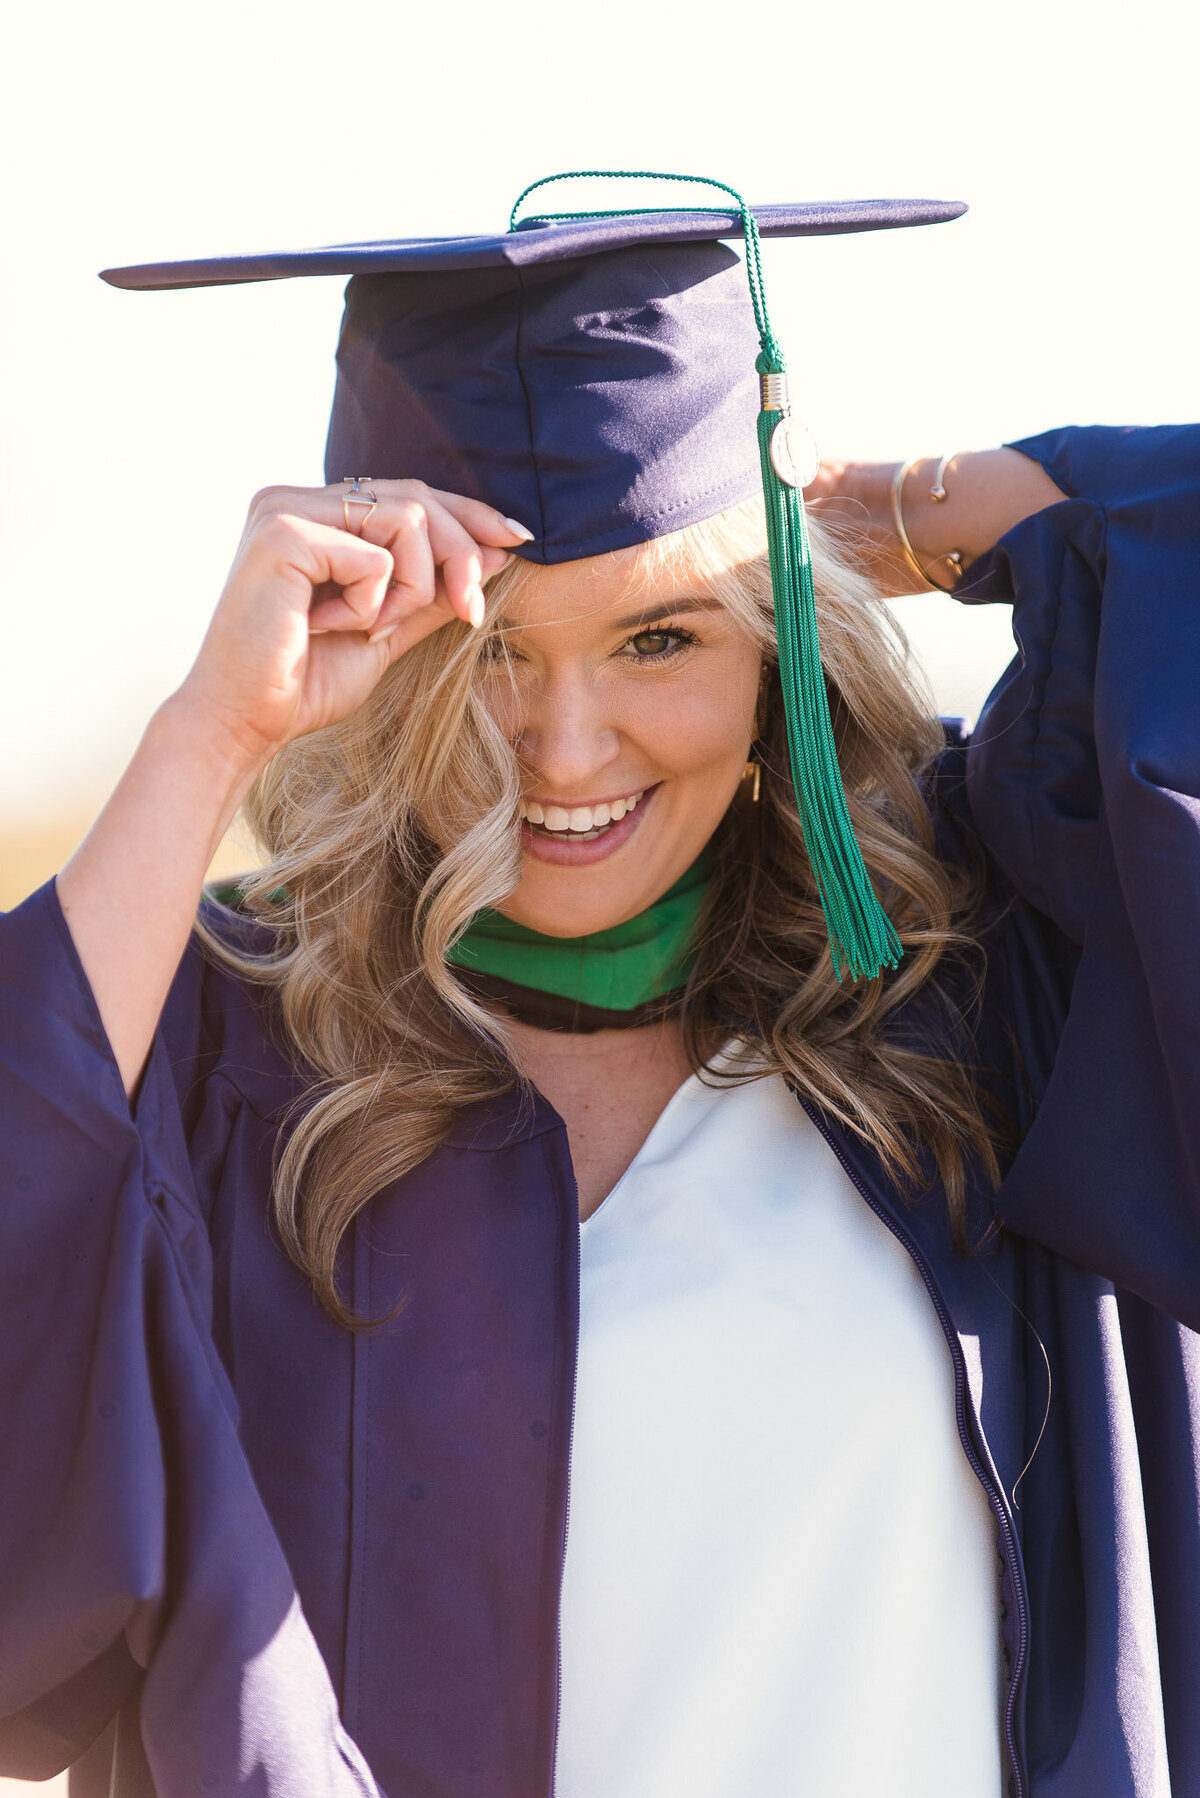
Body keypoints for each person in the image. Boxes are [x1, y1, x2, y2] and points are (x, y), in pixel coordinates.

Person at [1, 174, 1198, 1798]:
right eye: (488, 650)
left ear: (779, 642)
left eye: (660, 641)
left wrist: (941, 503)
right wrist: (208, 729)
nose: (565, 753)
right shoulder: (236, 1060)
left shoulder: (961, 991)